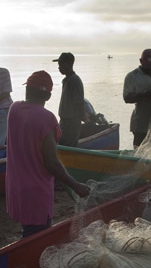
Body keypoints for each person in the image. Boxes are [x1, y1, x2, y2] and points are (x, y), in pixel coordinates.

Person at [6, 70, 90, 238]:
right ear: (48, 96)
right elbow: (52, 162)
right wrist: (75, 186)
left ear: (27, 90)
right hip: (36, 191)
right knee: (36, 237)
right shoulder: (47, 119)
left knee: (28, 231)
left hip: (15, 187)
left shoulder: (14, 109)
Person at [53, 52, 86, 147]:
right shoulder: (67, 80)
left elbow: (79, 102)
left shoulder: (74, 80)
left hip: (71, 123)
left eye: (61, 65)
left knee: (68, 146)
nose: (59, 68)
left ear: (68, 64)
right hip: (64, 121)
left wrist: (84, 116)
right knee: (61, 145)